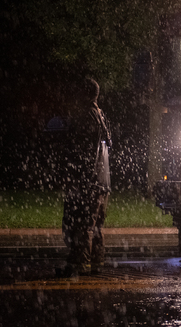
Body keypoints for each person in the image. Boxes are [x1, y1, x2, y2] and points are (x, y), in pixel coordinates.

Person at [60, 77, 112, 277]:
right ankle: (96, 263)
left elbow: (81, 152)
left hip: (88, 181)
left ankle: (78, 264)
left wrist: (76, 178)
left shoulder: (85, 116)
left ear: (84, 94)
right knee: (96, 226)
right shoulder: (102, 115)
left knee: (82, 225)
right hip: (102, 181)